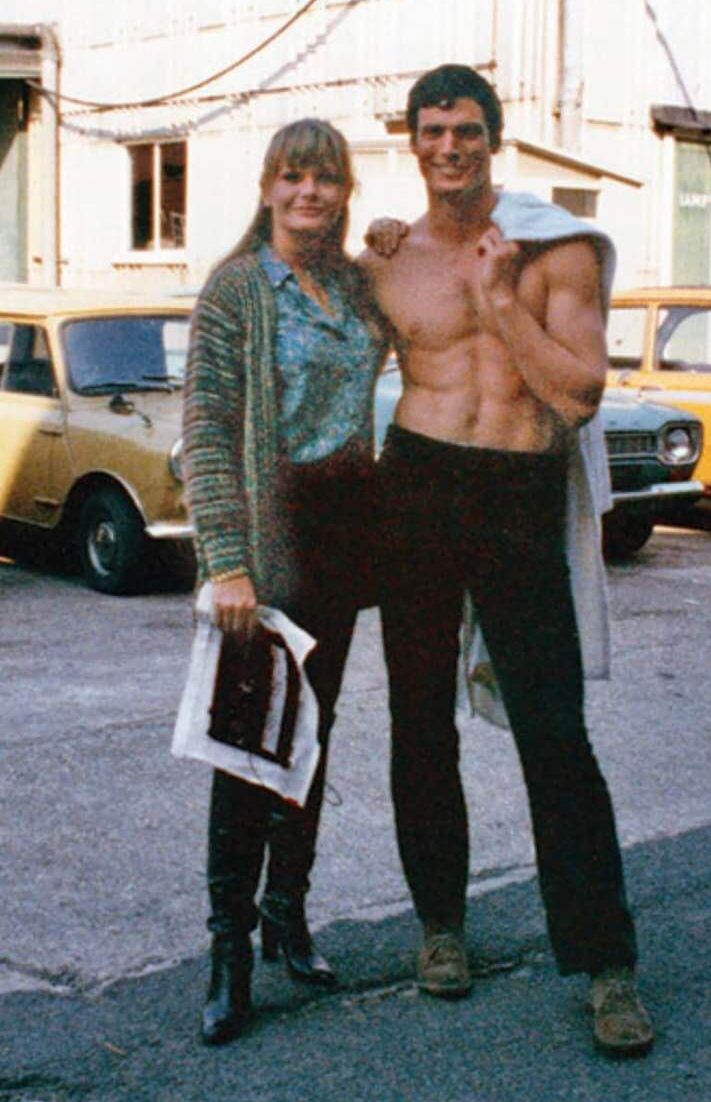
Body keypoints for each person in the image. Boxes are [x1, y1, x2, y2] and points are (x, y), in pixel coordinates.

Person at [360, 63, 654, 1056]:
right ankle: (441, 924)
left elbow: (576, 396)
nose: (450, 145)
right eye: (432, 130)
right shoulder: (390, 263)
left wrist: (496, 302)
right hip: (419, 481)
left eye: (467, 129)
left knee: (553, 729)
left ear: (495, 137)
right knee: (416, 716)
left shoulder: (554, 248)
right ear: (412, 142)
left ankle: (607, 964)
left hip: (519, 492)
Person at [182, 118, 388, 1045]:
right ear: (268, 186)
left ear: (345, 192)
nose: (311, 193)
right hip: (273, 539)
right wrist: (225, 560)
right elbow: (210, 432)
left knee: (311, 736)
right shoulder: (236, 292)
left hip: (348, 534)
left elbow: (411, 316)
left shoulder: (352, 286)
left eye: (327, 179)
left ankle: (287, 914)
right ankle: (228, 947)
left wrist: (398, 245)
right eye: (294, 177)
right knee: (250, 743)